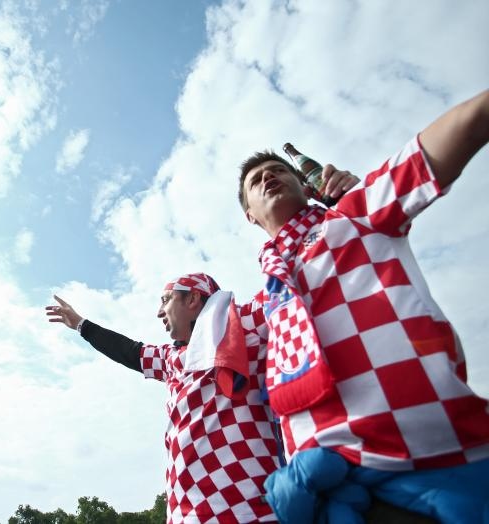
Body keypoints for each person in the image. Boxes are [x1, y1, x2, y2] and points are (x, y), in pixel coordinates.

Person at [236, 90, 489, 522]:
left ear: (306, 184)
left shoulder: (356, 213)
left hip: (438, 461)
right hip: (335, 492)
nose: (268, 177)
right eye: (255, 180)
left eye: (279, 169)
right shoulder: (263, 303)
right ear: (249, 216)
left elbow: (433, 152)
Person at [46, 273, 280, 523]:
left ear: (192, 298)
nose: (159, 312)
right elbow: (130, 352)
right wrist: (82, 325)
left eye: (165, 300)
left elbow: (291, 279)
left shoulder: (247, 325)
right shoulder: (172, 359)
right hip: (183, 513)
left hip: (246, 511)